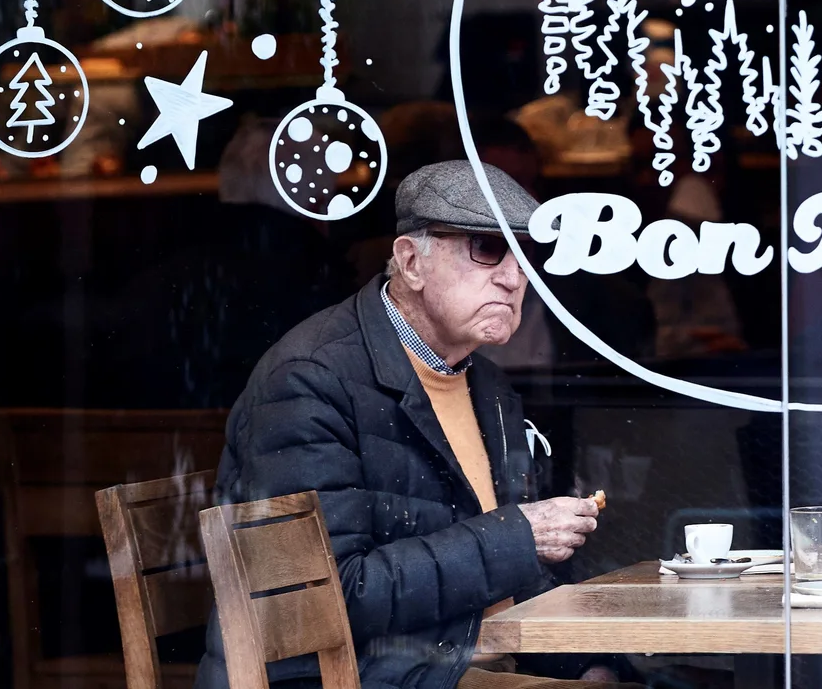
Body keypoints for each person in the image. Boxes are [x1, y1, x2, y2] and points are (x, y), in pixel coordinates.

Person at [195, 160, 637, 689]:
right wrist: (518, 536)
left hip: (460, 662)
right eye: (487, 249)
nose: (514, 277)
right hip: (357, 676)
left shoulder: (487, 385)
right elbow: (324, 598)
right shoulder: (310, 381)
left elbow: (514, 567)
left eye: (525, 255)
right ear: (410, 262)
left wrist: (589, 664)